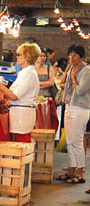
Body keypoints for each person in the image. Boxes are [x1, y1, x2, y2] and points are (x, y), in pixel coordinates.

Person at [0, 43, 41, 143]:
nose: (17, 57)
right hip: (21, 114)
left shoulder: (28, 74)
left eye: (19, 54)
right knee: (21, 143)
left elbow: (14, 96)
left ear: (27, 57)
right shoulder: (26, 72)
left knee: (22, 144)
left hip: (22, 115)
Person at [56, 44, 90, 184]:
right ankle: (71, 168)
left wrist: (74, 78)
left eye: (75, 55)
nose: (71, 57)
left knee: (76, 140)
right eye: (70, 54)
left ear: (81, 56)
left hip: (80, 108)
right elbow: (63, 84)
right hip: (69, 105)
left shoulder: (86, 71)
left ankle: (80, 171)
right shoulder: (70, 67)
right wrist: (68, 73)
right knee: (69, 140)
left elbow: (81, 90)